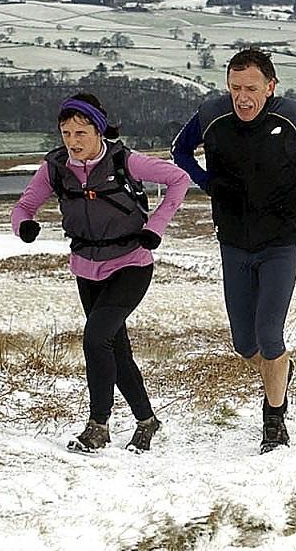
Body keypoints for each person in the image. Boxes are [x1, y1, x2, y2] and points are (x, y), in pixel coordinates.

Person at [171, 48, 296, 454]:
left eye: (251, 88)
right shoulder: (210, 115)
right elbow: (178, 151)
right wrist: (207, 182)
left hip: (280, 242)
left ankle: (274, 421)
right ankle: (280, 371)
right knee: (244, 344)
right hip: (233, 242)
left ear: (270, 87)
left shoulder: (295, 115)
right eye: (235, 88)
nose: (242, 97)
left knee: (269, 335)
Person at [13, 93, 190, 453]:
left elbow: (179, 179)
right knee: (115, 348)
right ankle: (147, 421)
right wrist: (24, 226)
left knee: (96, 339)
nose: (73, 142)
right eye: (66, 133)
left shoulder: (125, 160)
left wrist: (155, 225)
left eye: (81, 133)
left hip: (131, 264)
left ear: (98, 130)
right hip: (86, 268)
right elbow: (24, 205)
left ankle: (98, 426)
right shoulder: (55, 167)